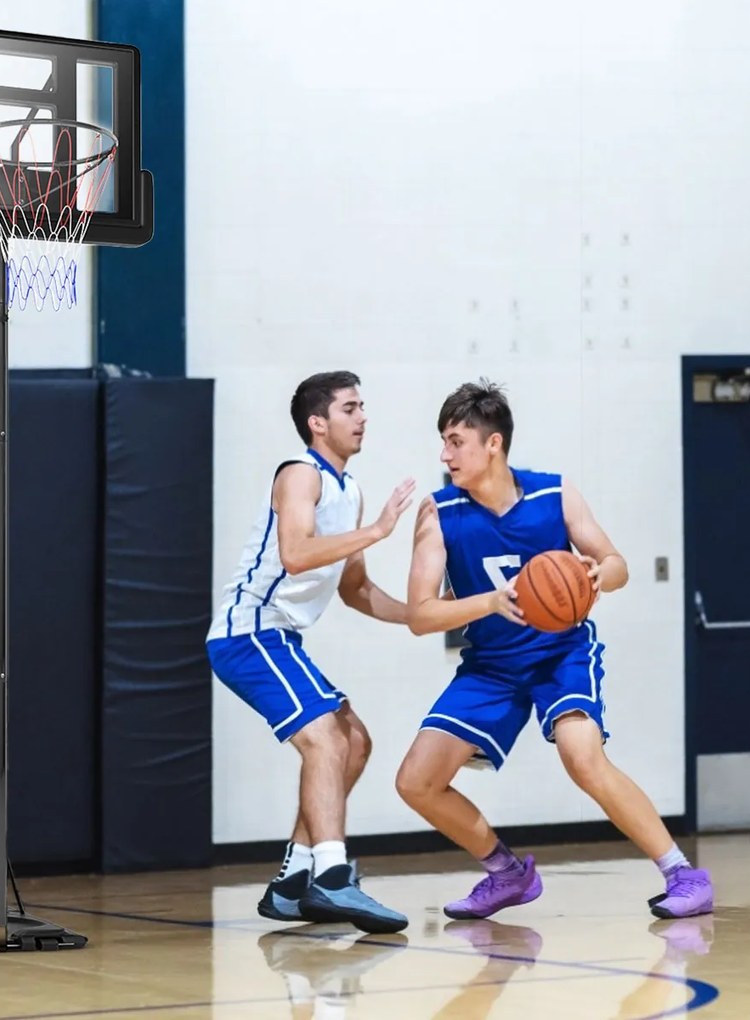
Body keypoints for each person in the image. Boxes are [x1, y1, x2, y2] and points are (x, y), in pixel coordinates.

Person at [395, 379, 713, 921]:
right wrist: (489, 603)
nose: (444, 454)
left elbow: (617, 565)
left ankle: (683, 873)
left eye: (455, 441)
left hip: (561, 654)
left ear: (492, 444)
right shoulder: (438, 513)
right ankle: (507, 874)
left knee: (582, 757)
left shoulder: (554, 495)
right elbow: (420, 616)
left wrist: (597, 573)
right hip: (492, 666)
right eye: (442, 442)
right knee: (416, 782)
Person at [207, 371, 415, 933]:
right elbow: (296, 553)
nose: (363, 416)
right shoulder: (300, 474)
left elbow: (356, 589)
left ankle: (294, 882)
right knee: (325, 735)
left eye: (363, 406)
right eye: (350, 408)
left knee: (355, 742)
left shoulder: (352, 492)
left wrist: (417, 614)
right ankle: (332, 876)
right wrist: (376, 531)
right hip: (249, 630)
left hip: (279, 636)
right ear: (317, 423)